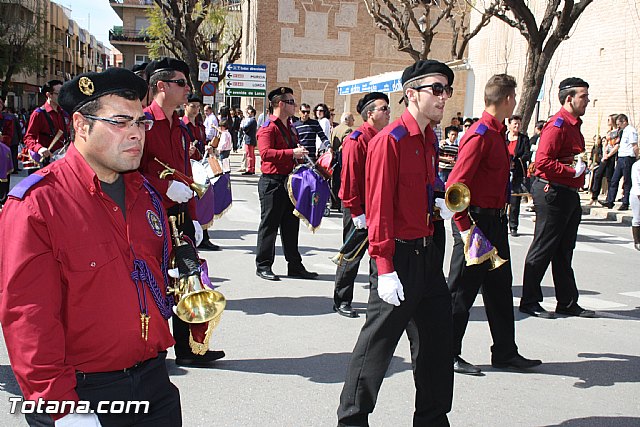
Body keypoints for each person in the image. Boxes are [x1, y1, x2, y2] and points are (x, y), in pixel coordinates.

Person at [0, 68, 182, 426]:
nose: (135, 133)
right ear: (81, 125)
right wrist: (59, 408)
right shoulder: (38, 204)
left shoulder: (144, 194)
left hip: (154, 384)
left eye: (140, 122)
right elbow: (29, 319)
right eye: (119, 121)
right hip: (81, 393)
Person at [337, 60, 454, 426]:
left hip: (427, 251)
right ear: (412, 93)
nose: (444, 96)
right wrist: (384, 268)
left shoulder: (430, 138)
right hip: (398, 257)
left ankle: (433, 420)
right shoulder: (390, 141)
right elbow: (380, 209)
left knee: (437, 344)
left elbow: (421, 187)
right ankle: (352, 420)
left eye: (447, 90)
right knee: (377, 347)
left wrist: (436, 200)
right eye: (436, 89)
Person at [446, 74, 541, 376]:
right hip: (476, 222)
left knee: (500, 290)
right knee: (461, 293)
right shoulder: (481, 134)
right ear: (509, 99)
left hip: (496, 221)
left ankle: (505, 352)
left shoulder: (498, 133)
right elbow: (455, 185)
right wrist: (464, 228)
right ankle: (447, 353)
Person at [139, 57, 225, 367]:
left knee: (187, 279)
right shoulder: (144, 122)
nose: (187, 89)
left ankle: (189, 350)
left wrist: (194, 217)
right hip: (151, 216)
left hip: (179, 215)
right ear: (161, 86)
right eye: (181, 83)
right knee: (155, 282)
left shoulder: (178, 126)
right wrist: (164, 189)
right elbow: (130, 172)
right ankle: (152, 349)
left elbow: (185, 176)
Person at [520, 77, 595, 319]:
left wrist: (579, 170)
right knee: (543, 248)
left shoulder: (574, 125)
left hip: (569, 193)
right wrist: (572, 171)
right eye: (583, 96)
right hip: (553, 192)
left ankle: (567, 301)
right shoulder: (558, 125)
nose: (587, 100)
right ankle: (529, 300)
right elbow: (542, 162)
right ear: (569, 98)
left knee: (564, 250)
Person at [333, 93, 389, 318]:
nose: (388, 112)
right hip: (360, 207)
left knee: (380, 255)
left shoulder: (385, 137)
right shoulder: (357, 139)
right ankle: (342, 299)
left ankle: (379, 303)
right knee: (352, 255)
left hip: (379, 207)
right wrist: (355, 210)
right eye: (383, 109)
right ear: (370, 114)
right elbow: (350, 178)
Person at [255, 87, 317, 281]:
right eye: (291, 102)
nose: (295, 105)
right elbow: (265, 153)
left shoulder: (290, 125)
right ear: (280, 104)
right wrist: (292, 153)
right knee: (270, 225)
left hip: (289, 181)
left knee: (291, 225)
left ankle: (295, 265)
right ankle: (264, 265)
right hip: (272, 182)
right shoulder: (268, 127)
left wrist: (299, 155)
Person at [23, 79, 70, 168]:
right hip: (46, 160)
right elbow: (28, 138)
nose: (62, 97)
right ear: (49, 95)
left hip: (63, 159)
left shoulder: (65, 114)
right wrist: (39, 148)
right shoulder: (38, 114)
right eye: (58, 94)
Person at [600, 114, 638, 210]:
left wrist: (637, 158)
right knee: (614, 180)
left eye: (619, 124)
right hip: (621, 158)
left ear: (624, 121)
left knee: (627, 181)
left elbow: (635, 146)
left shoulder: (631, 131)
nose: (618, 126)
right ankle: (610, 201)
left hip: (628, 158)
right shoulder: (622, 131)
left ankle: (625, 202)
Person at [506, 115, 531, 237]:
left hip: (517, 173)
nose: (517, 126)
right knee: (502, 200)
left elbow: (527, 154)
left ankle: (513, 226)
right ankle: (501, 223)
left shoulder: (524, 139)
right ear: (509, 124)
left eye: (519, 124)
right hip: (503, 172)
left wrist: (516, 160)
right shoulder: (503, 137)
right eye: (515, 123)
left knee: (515, 201)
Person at [329, 111, 355, 211]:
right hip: (341, 159)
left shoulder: (335, 129)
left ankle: (334, 203)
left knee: (334, 181)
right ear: (347, 120)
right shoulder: (348, 130)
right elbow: (346, 146)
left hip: (334, 158)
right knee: (341, 181)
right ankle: (339, 204)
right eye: (352, 119)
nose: (354, 121)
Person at [240, 105, 258, 175]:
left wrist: (243, 126)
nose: (248, 112)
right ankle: (251, 168)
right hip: (250, 139)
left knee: (249, 155)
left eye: (250, 111)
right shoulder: (252, 120)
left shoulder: (252, 120)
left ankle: (250, 169)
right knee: (251, 154)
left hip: (249, 139)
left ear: (253, 113)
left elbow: (245, 128)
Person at [631, 155, 640, 250]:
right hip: (637, 194)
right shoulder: (637, 165)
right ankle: (637, 241)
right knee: (637, 218)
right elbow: (636, 182)